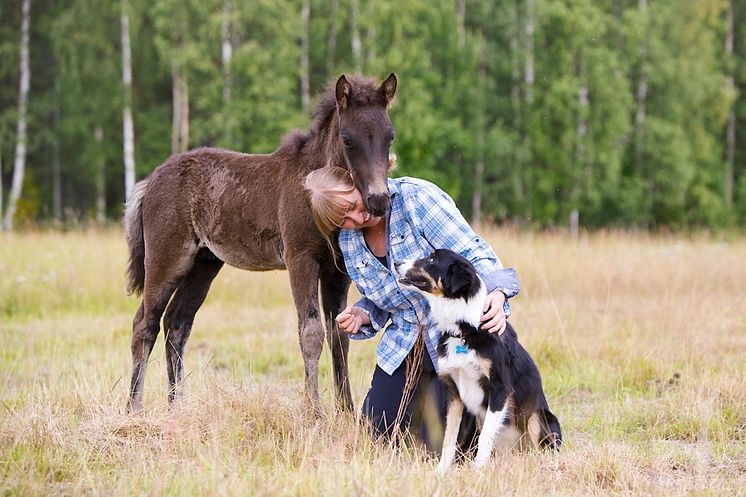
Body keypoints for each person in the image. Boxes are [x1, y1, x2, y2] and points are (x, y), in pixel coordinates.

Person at [303, 166, 520, 450]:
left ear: (361, 183)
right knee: (376, 435)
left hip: (455, 338)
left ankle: (508, 420)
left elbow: (473, 253)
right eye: (344, 219)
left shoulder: (416, 199)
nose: (358, 218)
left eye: (354, 205)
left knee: (448, 447)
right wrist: (364, 312)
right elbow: (384, 297)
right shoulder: (349, 242)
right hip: (403, 345)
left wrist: (498, 290)